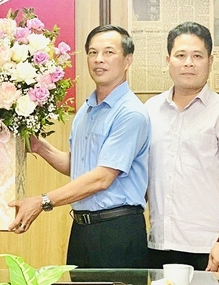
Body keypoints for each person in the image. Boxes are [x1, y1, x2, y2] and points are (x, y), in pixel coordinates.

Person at [8, 25, 151, 268]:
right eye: (92, 53)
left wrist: (43, 201)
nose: (99, 60)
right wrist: (40, 147)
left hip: (117, 231)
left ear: (128, 60)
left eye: (108, 53)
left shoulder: (131, 113)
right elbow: (77, 166)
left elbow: (102, 178)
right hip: (82, 230)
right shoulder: (86, 109)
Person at [145, 22, 219, 273]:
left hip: (210, 247)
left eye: (197, 56)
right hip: (161, 244)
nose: (188, 62)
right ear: (168, 60)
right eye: (180, 55)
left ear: (210, 61)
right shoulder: (149, 110)